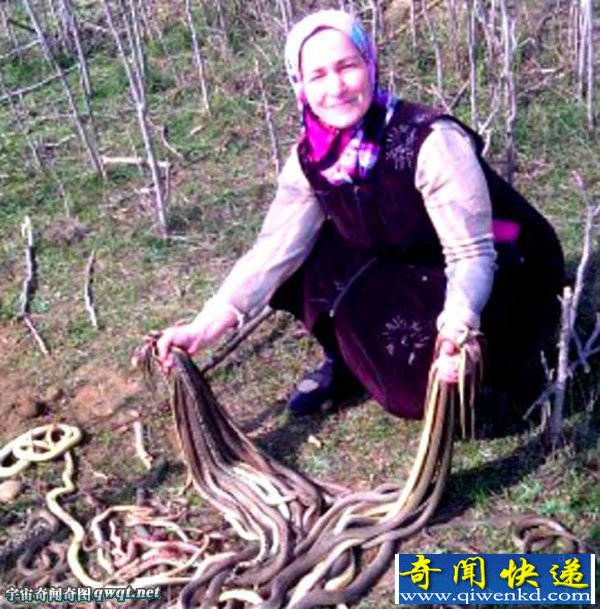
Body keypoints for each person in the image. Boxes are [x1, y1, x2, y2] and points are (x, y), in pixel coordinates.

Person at [157, 10, 564, 423]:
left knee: (417, 393)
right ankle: (348, 362)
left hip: (500, 268)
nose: (336, 87)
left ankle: (507, 369)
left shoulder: (431, 141)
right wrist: (202, 328)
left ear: (370, 64)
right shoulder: (312, 158)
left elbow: (471, 254)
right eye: (317, 75)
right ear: (299, 85)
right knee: (300, 264)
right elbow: (272, 253)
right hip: (410, 259)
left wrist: (458, 325)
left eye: (347, 66)